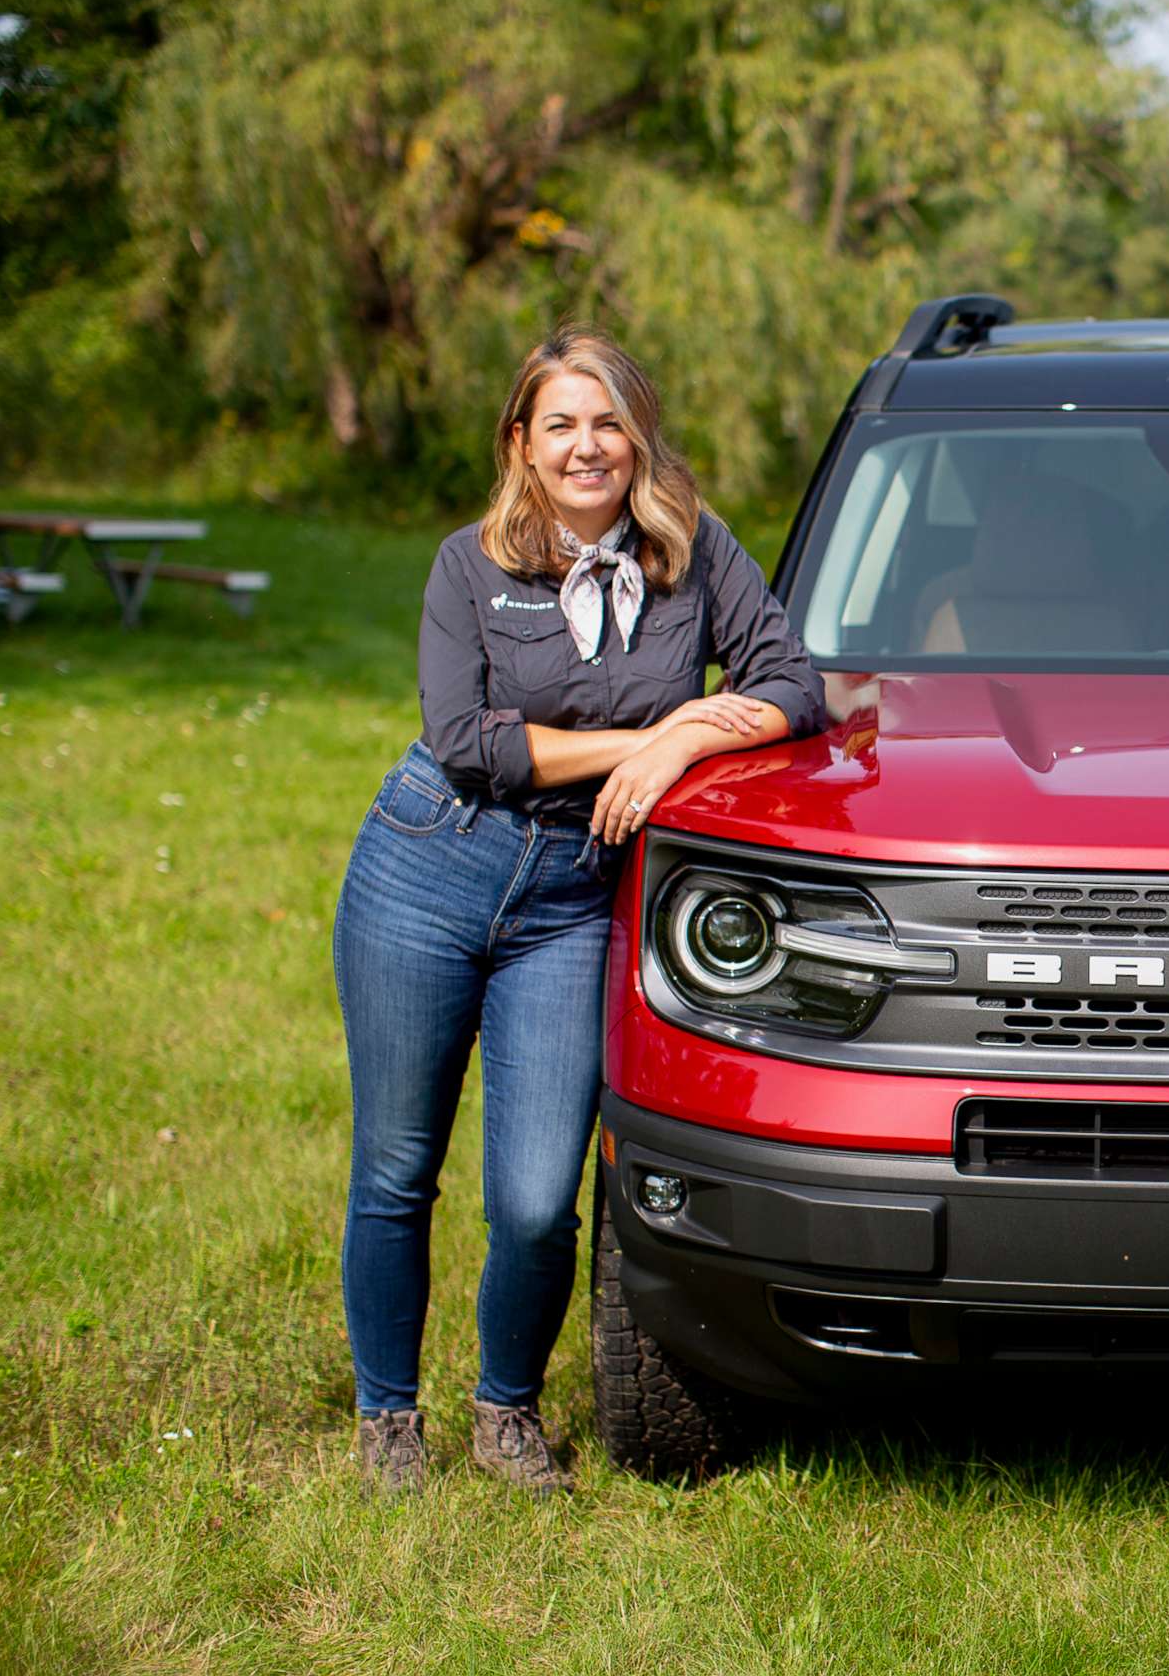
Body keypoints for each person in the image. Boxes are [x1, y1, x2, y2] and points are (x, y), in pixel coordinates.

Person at [332, 327, 826, 1495]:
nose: (586, 445)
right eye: (560, 423)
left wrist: (699, 730)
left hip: (571, 902)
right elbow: (470, 742)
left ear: (639, 438)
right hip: (429, 868)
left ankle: (506, 1412)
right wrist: (652, 740)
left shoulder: (697, 559)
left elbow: (793, 688)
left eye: (607, 422)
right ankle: (387, 1419)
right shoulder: (469, 565)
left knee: (539, 1194)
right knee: (398, 1170)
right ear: (522, 443)